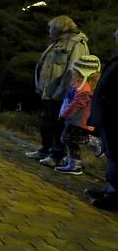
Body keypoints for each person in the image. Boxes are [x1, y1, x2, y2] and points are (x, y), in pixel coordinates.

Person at [26, 15, 89, 167]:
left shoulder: (76, 44)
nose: (48, 31)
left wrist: (60, 91)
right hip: (48, 92)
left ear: (61, 29)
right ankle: (45, 149)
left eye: (51, 28)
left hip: (60, 94)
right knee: (47, 122)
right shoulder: (58, 42)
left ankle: (57, 155)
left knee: (57, 124)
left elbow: (72, 71)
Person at [87, 29, 118, 210]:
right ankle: (109, 189)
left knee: (116, 158)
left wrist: (107, 110)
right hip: (109, 117)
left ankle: (114, 196)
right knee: (112, 157)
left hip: (114, 117)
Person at [55, 55, 100, 175]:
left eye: (76, 70)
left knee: (67, 138)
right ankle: (74, 163)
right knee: (69, 139)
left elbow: (76, 104)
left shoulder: (84, 88)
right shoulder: (81, 85)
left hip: (79, 121)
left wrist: (64, 115)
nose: (73, 72)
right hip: (75, 120)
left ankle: (93, 142)